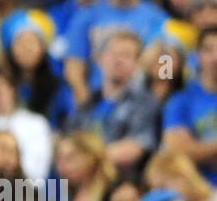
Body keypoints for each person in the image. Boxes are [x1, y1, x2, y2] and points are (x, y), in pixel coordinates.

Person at [62, 0, 165, 106]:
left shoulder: (157, 18)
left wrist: (153, 104)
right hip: (97, 100)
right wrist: (85, 102)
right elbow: (73, 66)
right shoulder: (86, 15)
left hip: (139, 104)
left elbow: (165, 69)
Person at [64, 29, 160, 177]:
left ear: (137, 63)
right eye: (113, 53)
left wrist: (86, 161)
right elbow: (70, 140)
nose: (118, 60)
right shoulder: (89, 102)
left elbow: (135, 148)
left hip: (119, 182)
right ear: (100, 58)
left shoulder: (145, 103)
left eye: (126, 55)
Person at [163, 27, 217, 186]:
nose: (215, 56)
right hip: (198, 189)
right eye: (208, 50)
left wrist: (200, 150)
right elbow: (177, 151)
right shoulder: (180, 101)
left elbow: (189, 149)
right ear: (197, 55)